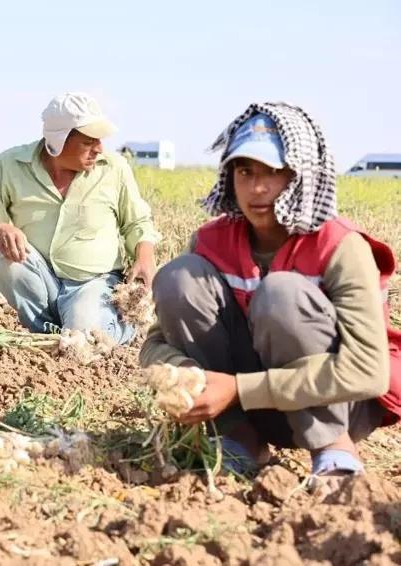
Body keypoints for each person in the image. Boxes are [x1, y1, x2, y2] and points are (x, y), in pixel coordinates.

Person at [140, 103, 401, 482]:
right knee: (180, 278)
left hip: (339, 406)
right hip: (250, 409)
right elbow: (153, 345)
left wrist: (237, 388)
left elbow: (369, 373)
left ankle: (333, 449)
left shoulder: (340, 248)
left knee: (281, 296)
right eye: (245, 171)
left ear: (300, 175)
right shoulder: (211, 242)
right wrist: (190, 378)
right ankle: (240, 441)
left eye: (274, 172)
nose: (257, 188)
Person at [0, 92, 161, 344]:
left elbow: (138, 222)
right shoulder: (10, 165)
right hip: (40, 278)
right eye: (89, 141)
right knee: (2, 250)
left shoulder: (114, 168)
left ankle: (121, 326)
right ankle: (46, 331)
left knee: (85, 336)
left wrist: (144, 256)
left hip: (94, 284)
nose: (99, 148)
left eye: (99, 140)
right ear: (58, 140)